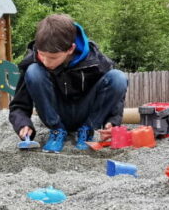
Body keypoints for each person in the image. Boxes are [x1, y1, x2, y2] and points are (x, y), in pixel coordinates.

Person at [8, 13, 128, 153]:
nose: (45, 62)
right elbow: (18, 105)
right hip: (55, 115)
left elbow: (115, 95)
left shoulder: (95, 61)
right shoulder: (34, 60)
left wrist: (112, 121)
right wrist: (22, 124)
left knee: (118, 77)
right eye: (42, 54)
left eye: (53, 57)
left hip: (87, 115)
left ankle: (87, 131)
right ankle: (57, 131)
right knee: (33, 71)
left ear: (70, 49)